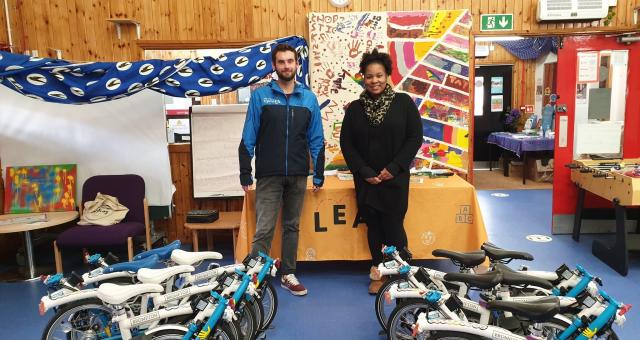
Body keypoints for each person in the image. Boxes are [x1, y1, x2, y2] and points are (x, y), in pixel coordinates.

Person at [238, 43, 325, 296]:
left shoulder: (308, 98)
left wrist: (318, 173)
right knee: (264, 228)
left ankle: (288, 273)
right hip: (269, 175)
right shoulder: (260, 96)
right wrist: (245, 171)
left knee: (291, 226)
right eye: (281, 62)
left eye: (290, 61)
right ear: (274, 66)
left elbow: (316, 139)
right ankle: (254, 277)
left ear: (297, 64)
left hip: (298, 175)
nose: (286, 66)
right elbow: (248, 136)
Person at [339, 49, 422, 294]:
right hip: (366, 181)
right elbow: (347, 144)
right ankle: (378, 271)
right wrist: (364, 171)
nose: (374, 80)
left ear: (387, 76)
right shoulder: (354, 109)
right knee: (373, 227)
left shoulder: (404, 103)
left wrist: (393, 168)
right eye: (369, 76)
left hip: (394, 179)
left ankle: (403, 273)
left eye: (379, 75)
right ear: (362, 77)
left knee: (394, 226)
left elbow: (414, 137)